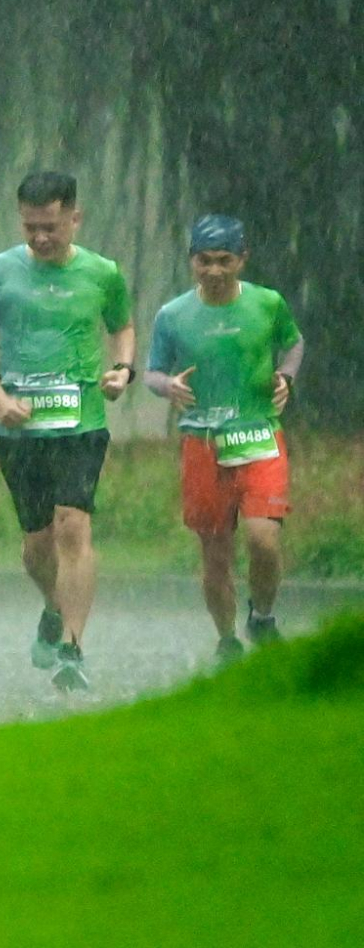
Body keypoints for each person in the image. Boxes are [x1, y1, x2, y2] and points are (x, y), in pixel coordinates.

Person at [0, 170, 134, 692]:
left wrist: (121, 369)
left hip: (81, 424)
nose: (40, 238)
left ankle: (72, 648)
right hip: (19, 431)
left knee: (72, 527)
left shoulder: (103, 274)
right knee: (37, 545)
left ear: (75, 218)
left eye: (52, 227)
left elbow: (122, 326)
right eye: (31, 227)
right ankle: (54, 606)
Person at [143, 215, 302, 658]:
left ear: (242, 259)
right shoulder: (173, 315)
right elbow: (152, 371)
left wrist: (287, 376)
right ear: (192, 261)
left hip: (258, 435)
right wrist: (167, 386)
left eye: (224, 260)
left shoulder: (267, 303)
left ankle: (263, 616)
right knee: (215, 556)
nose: (214, 271)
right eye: (204, 261)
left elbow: (293, 342)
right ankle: (227, 640)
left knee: (263, 540)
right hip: (203, 443)